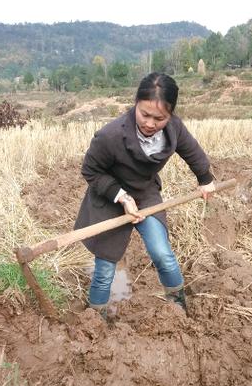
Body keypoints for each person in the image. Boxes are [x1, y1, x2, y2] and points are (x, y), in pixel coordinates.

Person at [74, 72, 215, 319]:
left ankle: (176, 303)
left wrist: (205, 180)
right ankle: (95, 318)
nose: (150, 123)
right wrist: (122, 197)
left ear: (170, 115)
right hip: (110, 197)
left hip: (145, 193)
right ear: (135, 104)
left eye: (159, 118)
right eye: (144, 114)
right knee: (105, 267)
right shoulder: (111, 135)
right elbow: (90, 170)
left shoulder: (173, 129)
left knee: (162, 253)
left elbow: (193, 152)